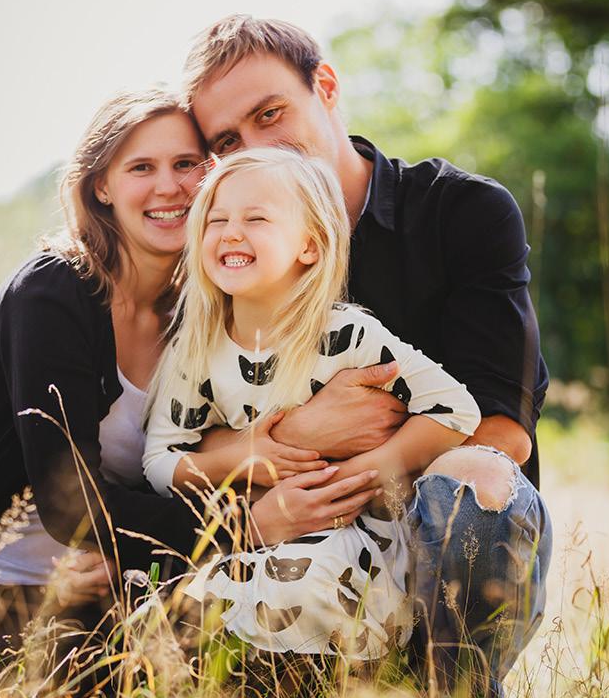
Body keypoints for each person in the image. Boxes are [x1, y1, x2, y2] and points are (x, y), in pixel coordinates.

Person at [0, 88, 379, 684]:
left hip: (123, 594)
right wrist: (251, 525)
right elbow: (70, 505)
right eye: (141, 168)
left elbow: (209, 457)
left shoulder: (206, 307)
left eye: (186, 165)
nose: (168, 187)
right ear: (101, 185)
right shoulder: (53, 291)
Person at [178, 15, 553, 698]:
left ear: (325, 86)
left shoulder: (463, 213)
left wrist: (339, 458)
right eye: (227, 142)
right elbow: (185, 444)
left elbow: (501, 432)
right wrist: (302, 433)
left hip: (447, 542)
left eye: (270, 114)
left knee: (471, 481)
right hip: (300, 550)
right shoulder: (226, 255)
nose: (257, 149)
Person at [144, 148, 483, 660]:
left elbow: (456, 412)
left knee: (305, 582)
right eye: (217, 220)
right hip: (259, 534)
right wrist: (244, 457)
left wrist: (362, 474)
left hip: (353, 542)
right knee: (169, 611)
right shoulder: (195, 352)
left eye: (255, 218)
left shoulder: (347, 337)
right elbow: (158, 462)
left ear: (309, 245)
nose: (231, 232)